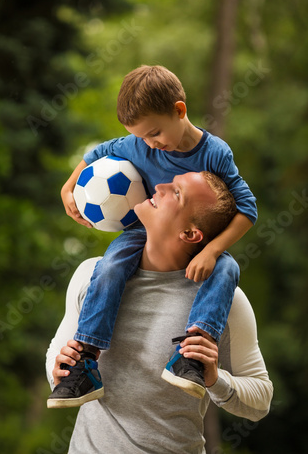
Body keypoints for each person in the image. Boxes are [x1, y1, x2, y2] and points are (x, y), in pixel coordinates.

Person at [47, 65, 257, 407]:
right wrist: (69, 186)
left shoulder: (215, 153)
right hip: (143, 234)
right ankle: (85, 357)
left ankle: (191, 354)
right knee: (112, 263)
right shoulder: (137, 146)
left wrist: (212, 250)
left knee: (227, 269)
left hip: (196, 238)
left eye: (155, 133)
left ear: (179, 110)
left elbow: (248, 208)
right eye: (142, 137)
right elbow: (95, 155)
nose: (150, 144)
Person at [46, 172, 273, 453]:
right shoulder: (91, 275)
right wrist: (58, 369)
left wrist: (214, 378)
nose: (159, 186)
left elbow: (261, 401)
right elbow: (56, 352)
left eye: (176, 193)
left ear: (190, 233)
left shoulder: (226, 301)